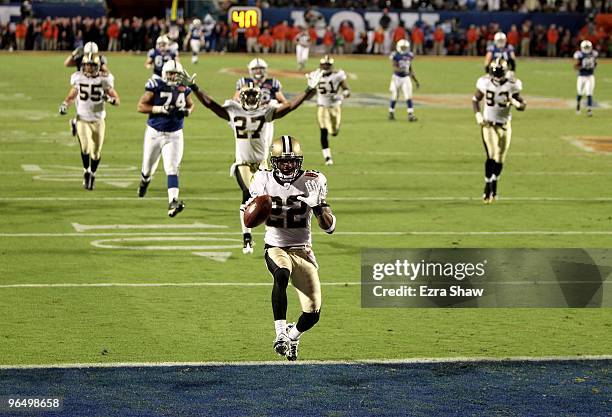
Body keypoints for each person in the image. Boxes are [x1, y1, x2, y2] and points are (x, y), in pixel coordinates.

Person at [180, 68, 322, 254]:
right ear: (240, 96)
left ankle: (275, 238)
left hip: (262, 165)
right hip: (243, 164)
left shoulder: (266, 111)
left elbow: (289, 107)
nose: (250, 99)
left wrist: (309, 89)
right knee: (248, 194)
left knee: (269, 201)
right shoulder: (233, 110)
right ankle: (247, 237)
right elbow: (211, 105)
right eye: (247, 95)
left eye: (254, 95)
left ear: (260, 96)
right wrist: (194, 87)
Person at [248, 135, 336, 361]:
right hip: (275, 246)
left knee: (312, 313)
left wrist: (317, 207)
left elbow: (330, 227)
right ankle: (279, 334)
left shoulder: (313, 180)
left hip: (302, 249)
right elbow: (248, 214)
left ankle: (292, 334)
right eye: (282, 161)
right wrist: (248, 220)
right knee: (281, 275)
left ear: (300, 161)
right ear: (274, 161)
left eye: (292, 161)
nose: (287, 165)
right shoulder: (262, 179)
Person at [136, 60, 194, 217]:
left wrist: (187, 111)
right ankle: (144, 181)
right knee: (148, 169)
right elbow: (140, 106)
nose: (173, 77)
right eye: (170, 73)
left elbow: (190, 104)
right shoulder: (156, 85)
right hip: (154, 133)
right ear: (164, 74)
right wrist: (160, 109)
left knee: (172, 168)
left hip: (174, 134)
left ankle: (173, 202)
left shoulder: (184, 87)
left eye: (176, 74)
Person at [59, 53, 120, 190]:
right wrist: (65, 104)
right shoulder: (78, 78)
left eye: (92, 65)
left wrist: (110, 100)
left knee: (96, 153)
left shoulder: (105, 80)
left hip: (98, 120)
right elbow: (72, 95)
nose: (89, 68)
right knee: (86, 147)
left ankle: (93, 173)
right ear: (83, 65)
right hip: (82, 118)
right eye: (87, 65)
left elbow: (117, 100)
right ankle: (86, 171)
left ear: (98, 66)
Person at [472, 58, 526, 203]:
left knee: (500, 158)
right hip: (489, 124)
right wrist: (478, 115)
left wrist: (515, 102)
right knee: (491, 154)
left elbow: (523, 105)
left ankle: (495, 182)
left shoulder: (512, 84)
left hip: (505, 125)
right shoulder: (485, 82)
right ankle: (487, 185)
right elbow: (475, 99)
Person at [233, 58, 287, 158]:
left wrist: (273, 105)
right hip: (248, 116)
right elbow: (235, 100)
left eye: (261, 69)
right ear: (251, 70)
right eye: (256, 69)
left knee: (265, 143)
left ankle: (261, 163)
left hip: (265, 117)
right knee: (246, 141)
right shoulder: (243, 83)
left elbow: (283, 102)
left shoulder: (272, 83)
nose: (258, 71)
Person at [314, 55, 350, 165]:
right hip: (322, 106)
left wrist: (342, 96)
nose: (325, 66)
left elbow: (347, 90)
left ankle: (334, 130)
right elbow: (310, 90)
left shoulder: (337, 75)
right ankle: (327, 158)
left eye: (327, 65)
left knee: (334, 132)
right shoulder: (315, 75)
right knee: (323, 130)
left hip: (334, 106)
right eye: (324, 64)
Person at [388, 39, 419, 122]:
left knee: (408, 96)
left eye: (405, 47)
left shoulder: (409, 55)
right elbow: (394, 66)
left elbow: (410, 68)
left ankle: (410, 114)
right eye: (402, 47)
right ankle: (391, 112)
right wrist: (401, 70)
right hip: (396, 77)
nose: (404, 49)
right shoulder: (395, 55)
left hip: (406, 78)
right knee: (395, 95)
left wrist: (415, 80)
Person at [573, 40, 598, 117]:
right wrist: (582, 66)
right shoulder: (579, 55)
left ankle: (589, 110)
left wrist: (592, 66)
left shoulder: (593, 54)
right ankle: (578, 106)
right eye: (586, 47)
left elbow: (595, 64)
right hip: (581, 76)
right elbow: (575, 67)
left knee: (589, 93)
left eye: (588, 47)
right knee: (580, 93)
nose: (587, 49)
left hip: (590, 76)